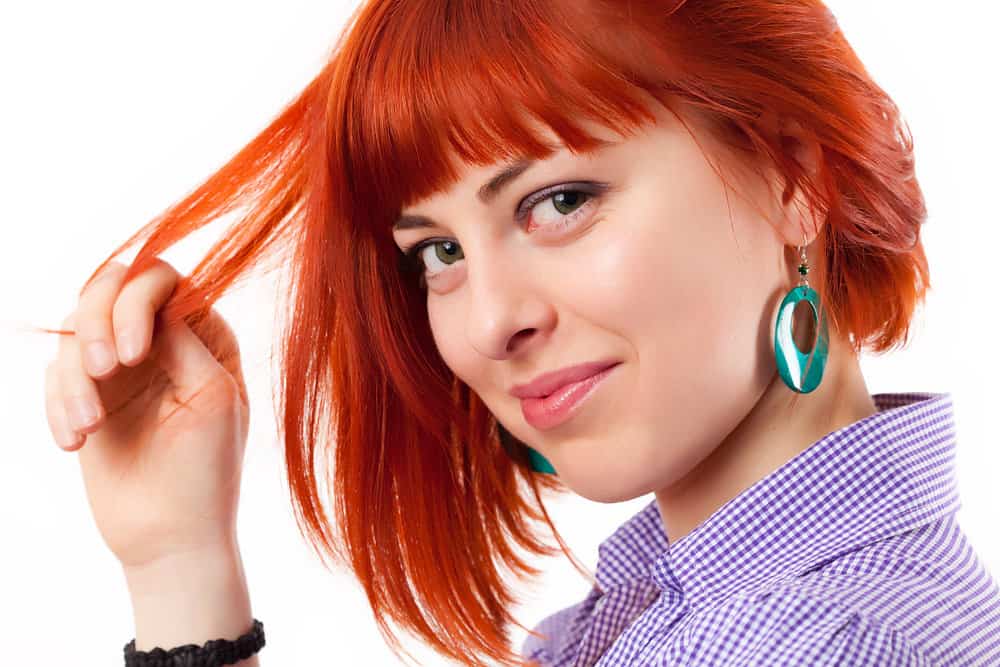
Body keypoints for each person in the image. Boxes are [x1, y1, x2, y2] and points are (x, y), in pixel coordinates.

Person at [39, 0, 1000, 665]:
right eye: (436, 254)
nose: (491, 322)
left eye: (560, 200)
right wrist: (179, 562)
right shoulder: (702, 612)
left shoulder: (802, 641)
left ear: (794, 179)